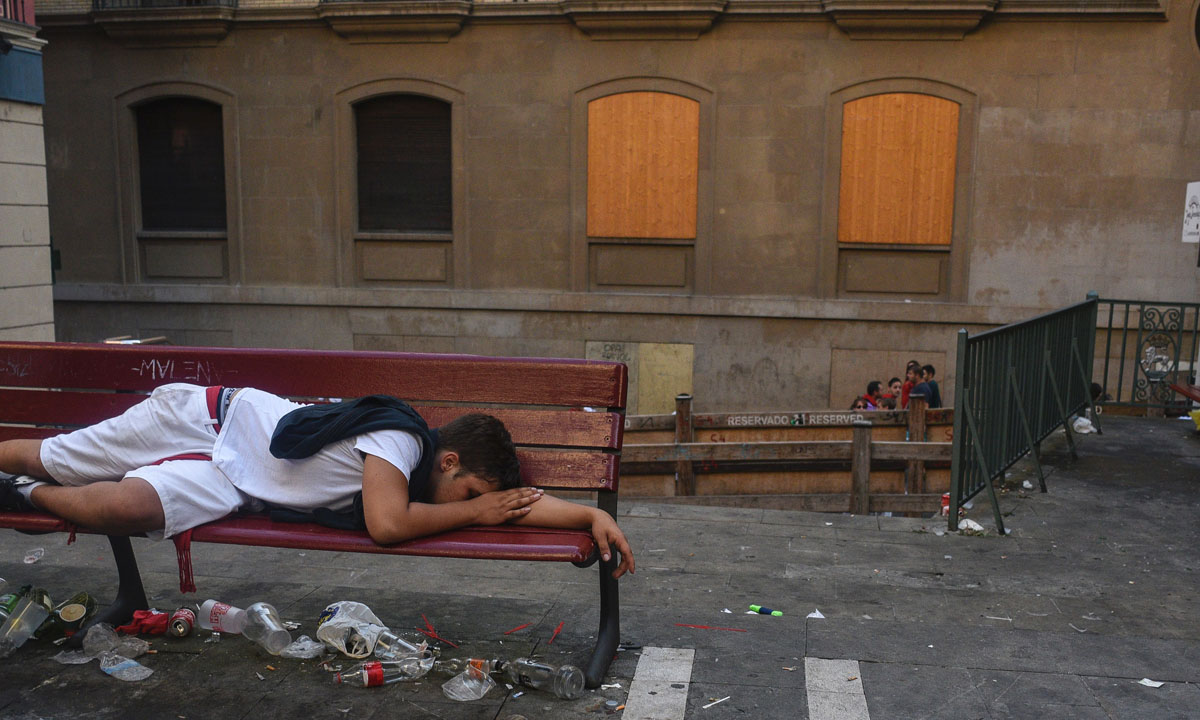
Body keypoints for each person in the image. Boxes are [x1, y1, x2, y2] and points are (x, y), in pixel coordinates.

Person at [0, 383, 635, 578]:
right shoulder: (402, 438)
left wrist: (587, 516)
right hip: (207, 421)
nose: (475, 506)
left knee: (127, 508)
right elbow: (388, 527)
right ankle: (21, 475)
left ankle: (17, 496)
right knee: (54, 458)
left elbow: (507, 505)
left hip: (241, 484)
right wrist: (475, 513)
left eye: (477, 500)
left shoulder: (433, 477)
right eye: (470, 492)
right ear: (449, 462)